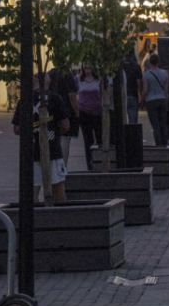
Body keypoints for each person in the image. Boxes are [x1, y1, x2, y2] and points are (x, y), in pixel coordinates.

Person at [13, 72, 70, 203]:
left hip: (31, 151)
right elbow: (65, 125)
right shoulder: (55, 98)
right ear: (47, 81)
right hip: (53, 150)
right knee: (58, 187)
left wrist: (32, 129)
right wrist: (53, 130)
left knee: (32, 190)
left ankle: (34, 219)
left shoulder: (24, 100)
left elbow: (17, 129)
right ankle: (61, 216)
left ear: (34, 81)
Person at [48, 66, 80, 168]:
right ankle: (62, 167)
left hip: (52, 113)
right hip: (66, 112)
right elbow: (72, 96)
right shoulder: (68, 75)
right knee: (64, 141)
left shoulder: (50, 73)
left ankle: (54, 166)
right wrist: (77, 113)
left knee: (53, 139)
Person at [76, 65, 103, 170]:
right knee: (88, 141)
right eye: (85, 65)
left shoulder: (98, 79)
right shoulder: (78, 79)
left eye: (89, 65)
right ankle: (90, 165)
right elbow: (75, 95)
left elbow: (102, 93)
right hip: (84, 113)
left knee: (99, 138)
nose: (87, 67)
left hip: (97, 113)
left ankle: (99, 162)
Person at [142, 54, 169, 147]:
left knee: (155, 124)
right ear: (158, 62)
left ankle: (158, 144)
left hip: (151, 100)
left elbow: (145, 90)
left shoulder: (146, 74)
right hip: (162, 99)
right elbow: (166, 89)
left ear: (150, 62)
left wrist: (142, 98)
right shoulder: (164, 73)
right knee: (163, 122)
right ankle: (165, 141)